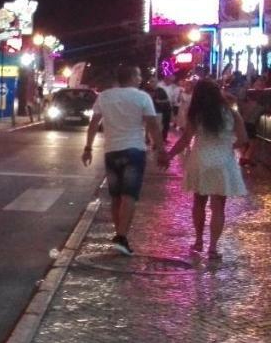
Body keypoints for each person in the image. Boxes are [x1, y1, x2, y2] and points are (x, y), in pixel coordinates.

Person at [82, 64, 165, 255]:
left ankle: (119, 235)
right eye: (138, 75)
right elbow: (152, 125)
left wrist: (88, 148)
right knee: (129, 195)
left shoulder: (105, 96)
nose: (140, 79)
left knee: (116, 196)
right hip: (134, 151)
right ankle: (121, 237)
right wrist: (161, 150)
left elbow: (94, 123)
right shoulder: (142, 97)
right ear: (132, 76)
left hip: (112, 151)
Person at [161, 79, 248, 259]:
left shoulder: (197, 115)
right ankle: (213, 247)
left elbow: (185, 140)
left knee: (199, 202)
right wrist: (227, 146)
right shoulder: (232, 114)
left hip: (200, 160)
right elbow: (243, 139)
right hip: (223, 162)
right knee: (219, 207)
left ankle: (199, 240)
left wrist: (168, 155)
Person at [145, 77, 172, 143]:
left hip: (158, 110)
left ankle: (156, 142)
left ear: (156, 83)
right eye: (151, 81)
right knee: (148, 125)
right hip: (148, 111)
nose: (152, 83)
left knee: (158, 126)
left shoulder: (161, 90)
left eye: (153, 81)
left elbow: (167, 100)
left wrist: (160, 101)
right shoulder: (146, 90)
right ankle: (147, 138)